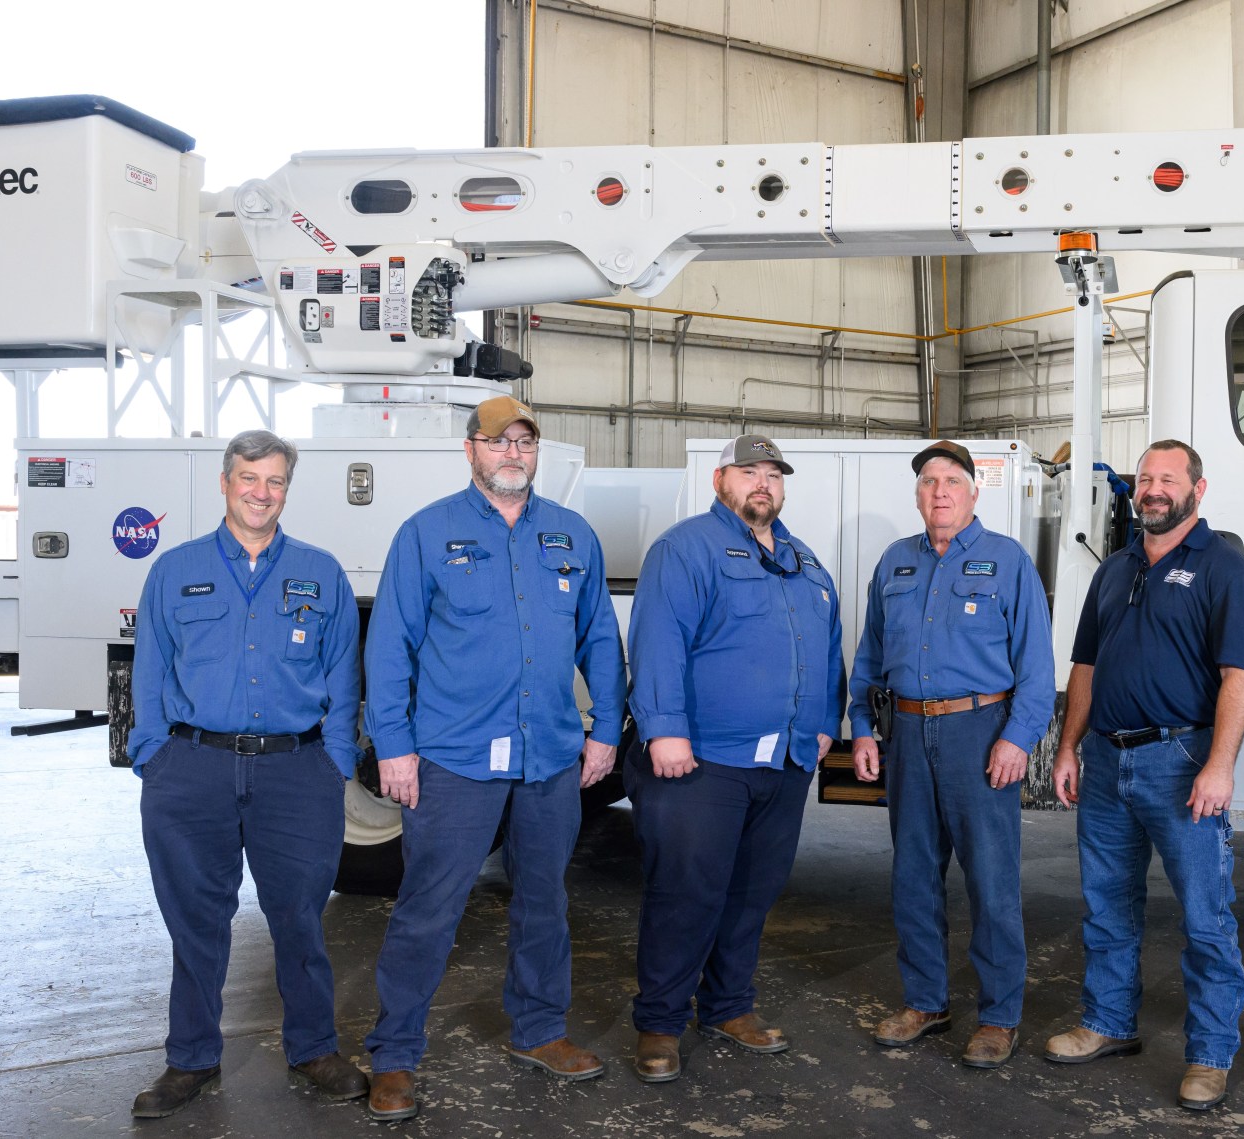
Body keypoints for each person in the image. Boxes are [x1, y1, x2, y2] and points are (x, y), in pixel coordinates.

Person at [359, 396, 625, 1121]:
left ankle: (539, 1030)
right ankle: (393, 1054)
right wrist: (396, 747)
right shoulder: (427, 533)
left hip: (549, 756)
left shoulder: (572, 535)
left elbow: (601, 635)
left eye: (524, 441)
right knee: (428, 907)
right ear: (471, 450)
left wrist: (606, 729)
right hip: (452, 757)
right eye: (498, 440)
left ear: (536, 452)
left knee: (545, 899)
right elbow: (390, 648)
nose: (512, 452)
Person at [127, 429, 366, 1118]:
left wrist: (335, 764)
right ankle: (191, 1058)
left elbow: (344, 678)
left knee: (298, 917)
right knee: (197, 921)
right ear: (226, 483)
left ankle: (315, 1046)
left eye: (275, 481)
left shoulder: (322, 574)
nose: (262, 493)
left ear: (287, 487)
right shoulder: (175, 570)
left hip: (295, 772)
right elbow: (149, 669)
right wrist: (153, 753)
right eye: (249, 479)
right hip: (191, 769)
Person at [1045, 439, 1244, 1114]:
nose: (1154, 488)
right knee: (1107, 906)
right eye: (1146, 478)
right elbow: (1084, 666)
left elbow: (1238, 677)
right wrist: (1067, 747)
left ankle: (1210, 1054)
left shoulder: (1226, 569)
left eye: (1168, 478)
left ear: (1199, 488)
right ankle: (1108, 1022)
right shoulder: (1113, 570)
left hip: (1181, 763)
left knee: (1205, 917)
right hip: (1106, 762)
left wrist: (1219, 765)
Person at [625, 434, 845, 1083]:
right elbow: (658, 637)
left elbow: (827, 647)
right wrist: (664, 729)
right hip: (702, 762)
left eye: (773, 473)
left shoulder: (804, 561)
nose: (763, 482)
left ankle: (726, 1005)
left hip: (783, 760)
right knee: (686, 892)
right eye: (749, 471)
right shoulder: (685, 549)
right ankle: (660, 1023)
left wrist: (824, 723)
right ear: (721, 479)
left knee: (752, 892)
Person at [848, 441, 1055, 1069]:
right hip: (906, 733)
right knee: (913, 875)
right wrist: (861, 726)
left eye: (953, 481)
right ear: (917, 495)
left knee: (991, 881)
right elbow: (869, 655)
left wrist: (1018, 739)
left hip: (980, 732)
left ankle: (999, 1015)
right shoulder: (895, 562)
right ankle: (926, 1001)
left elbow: (1038, 668)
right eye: (930, 482)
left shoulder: (1008, 560)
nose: (941, 491)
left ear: (973, 492)